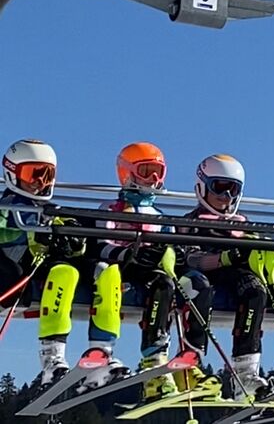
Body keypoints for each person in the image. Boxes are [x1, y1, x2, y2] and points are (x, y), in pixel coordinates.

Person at [183, 154, 274, 403]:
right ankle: (245, 374)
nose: (226, 196)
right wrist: (226, 257)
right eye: (219, 187)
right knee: (255, 291)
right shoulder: (191, 223)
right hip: (224, 275)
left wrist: (264, 250)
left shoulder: (243, 224)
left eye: (233, 189)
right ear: (202, 186)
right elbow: (191, 259)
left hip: (258, 269)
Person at [90, 142, 213, 399]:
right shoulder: (112, 209)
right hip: (123, 269)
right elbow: (101, 245)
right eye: (146, 171)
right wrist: (129, 255)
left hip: (154, 273)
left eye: (159, 172)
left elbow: (174, 252)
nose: (154, 179)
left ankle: (189, 360)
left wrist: (175, 255)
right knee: (158, 282)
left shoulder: (159, 217)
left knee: (196, 284)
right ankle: (152, 362)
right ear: (126, 173)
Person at [0, 139, 87, 387]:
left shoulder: (52, 211)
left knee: (66, 272)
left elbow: (76, 239)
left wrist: (72, 240)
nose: (40, 182)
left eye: (47, 175)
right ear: (12, 173)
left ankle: (53, 356)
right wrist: (34, 234)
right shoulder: (6, 207)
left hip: (40, 270)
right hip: (11, 271)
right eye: (33, 174)